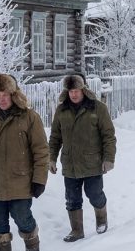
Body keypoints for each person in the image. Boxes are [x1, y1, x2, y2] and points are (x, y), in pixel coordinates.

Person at [0, 74, 48, 251]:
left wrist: (39, 180)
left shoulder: (29, 117)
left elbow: (41, 151)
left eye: (5, 94)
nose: (1, 98)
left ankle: (32, 246)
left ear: (13, 95)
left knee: (22, 217)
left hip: (21, 181)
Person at [48, 74, 117, 242]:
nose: (74, 94)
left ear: (83, 89)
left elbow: (108, 135)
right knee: (72, 199)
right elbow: (55, 137)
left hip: (92, 162)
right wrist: (52, 158)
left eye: (77, 90)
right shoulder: (62, 110)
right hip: (70, 163)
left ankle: (101, 219)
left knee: (94, 194)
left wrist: (109, 158)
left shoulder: (97, 108)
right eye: (71, 91)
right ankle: (77, 230)